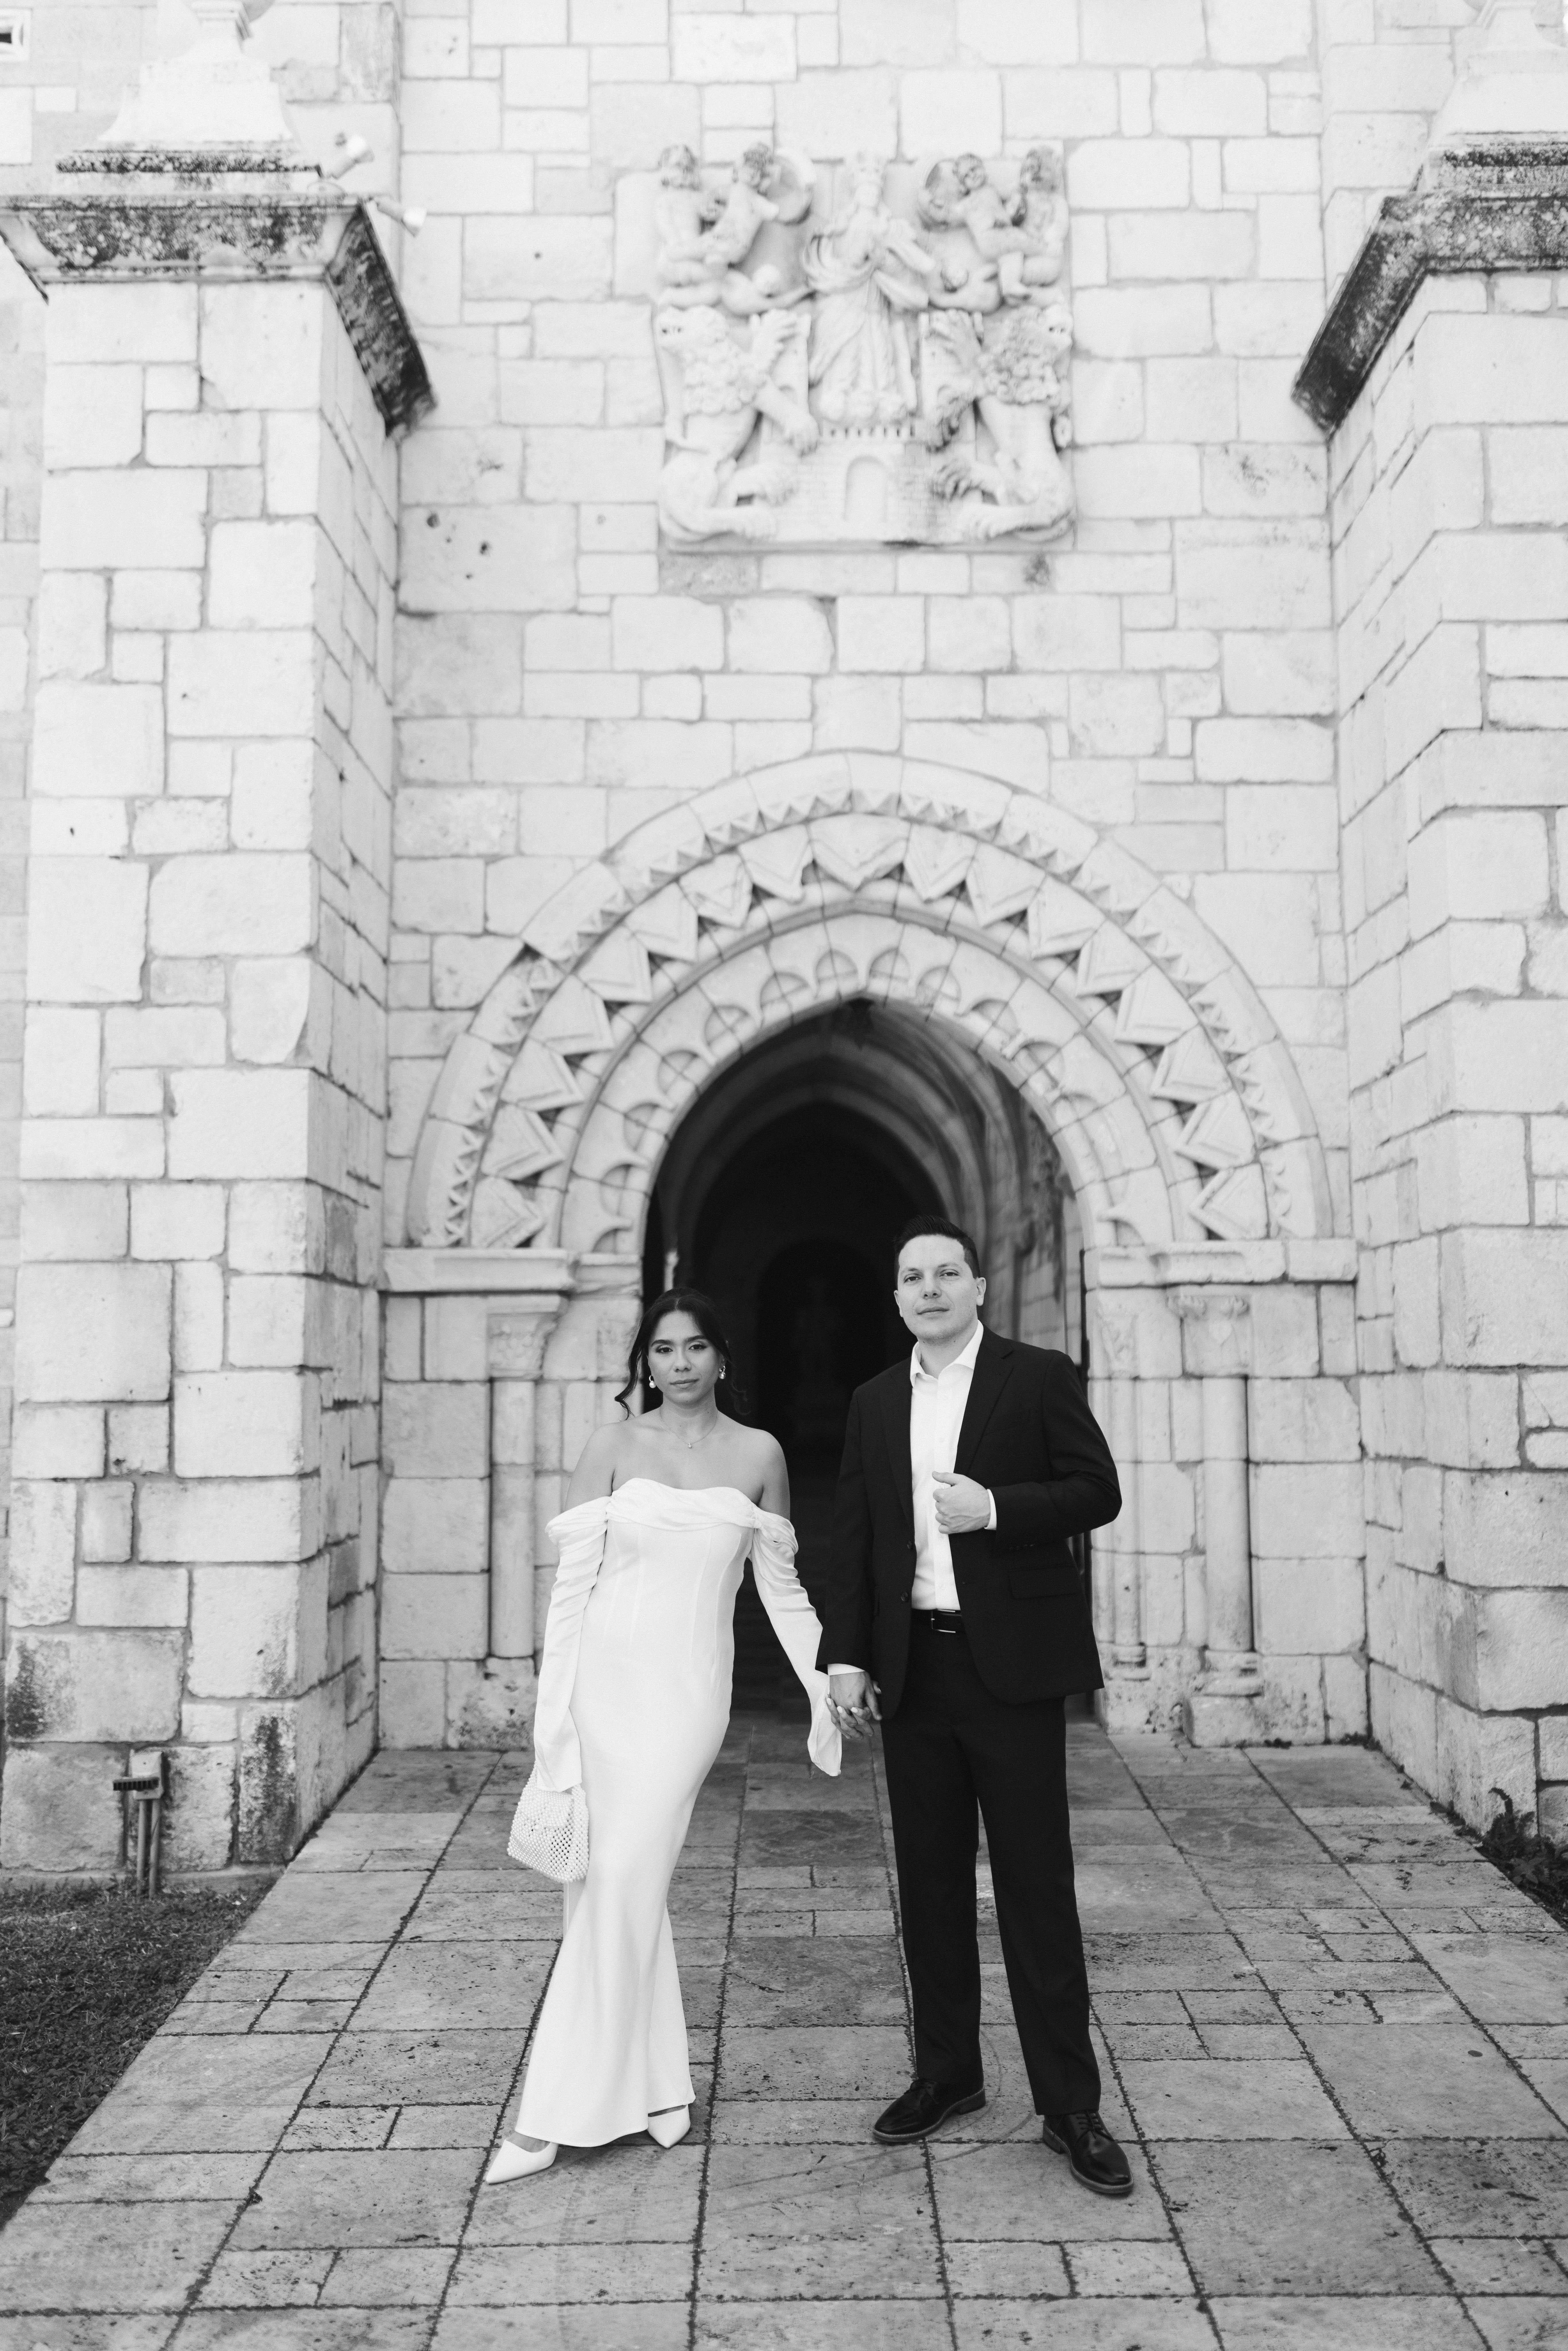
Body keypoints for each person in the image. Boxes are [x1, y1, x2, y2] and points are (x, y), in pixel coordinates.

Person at [485, 1289, 839, 2185]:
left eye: (694, 1348)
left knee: (621, 1881)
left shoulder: (760, 1454)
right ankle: (656, 2089)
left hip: (686, 1702)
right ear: (645, 1361)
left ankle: (552, 2117)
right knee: (611, 1888)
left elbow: (782, 1588)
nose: (678, 1365)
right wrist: (553, 1721)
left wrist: (824, 1682)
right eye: (663, 1350)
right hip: (602, 1690)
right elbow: (570, 1593)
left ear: (722, 1357)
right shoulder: (612, 1445)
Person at [818, 1216, 1131, 2197]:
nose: (930, 1289)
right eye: (913, 1277)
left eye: (947, 1273)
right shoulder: (875, 1400)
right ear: (897, 1297)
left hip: (1012, 1671)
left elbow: (1097, 1490)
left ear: (980, 1287)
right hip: (914, 1672)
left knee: (1037, 1888)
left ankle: (1069, 2106)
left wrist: (995, 1509)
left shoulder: (1036, 1378)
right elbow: (855, 1535)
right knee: (932, 1886)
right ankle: (948, 2073)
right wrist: (846, 1656)